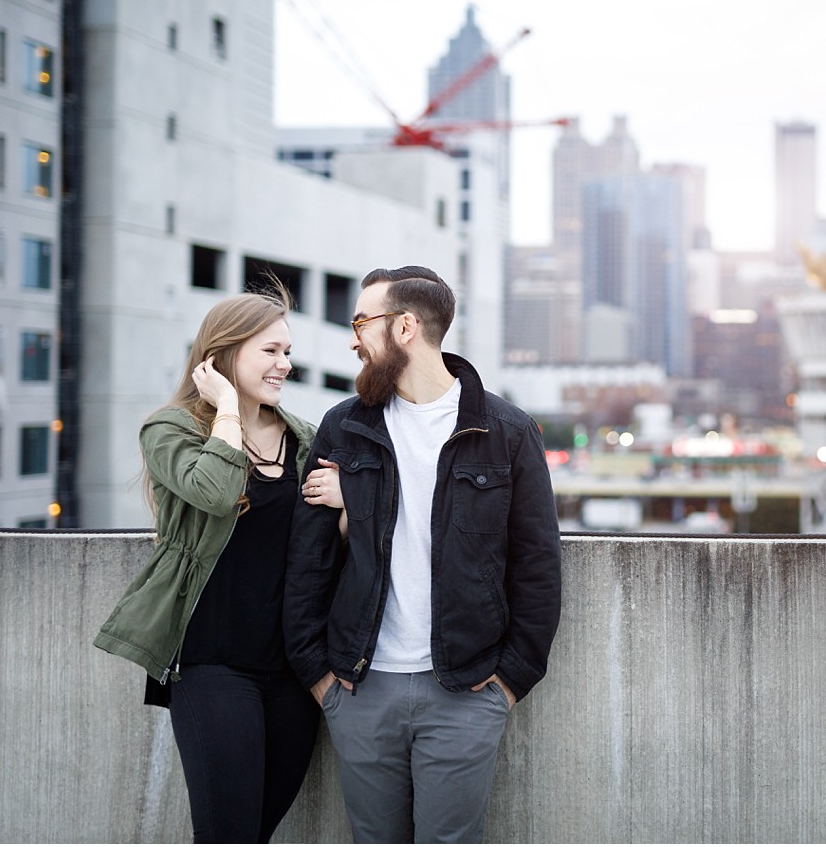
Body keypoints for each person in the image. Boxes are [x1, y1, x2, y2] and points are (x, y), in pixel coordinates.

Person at [284, 266, 562, 844]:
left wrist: (510, 681)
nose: (353, 338)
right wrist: (319, 677)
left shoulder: (505, 431)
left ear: (405, 327)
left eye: (362, 322)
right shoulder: (344, 427)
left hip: (465, 690)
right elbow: (307, 563)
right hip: (360, 686)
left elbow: (537, 567)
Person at [94, 285, 340, 843]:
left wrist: (347, 497)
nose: (285, 364)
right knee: (226, 832)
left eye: (287, 352)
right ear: (224, 355)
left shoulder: (303, 439)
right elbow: (214, 490)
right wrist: (229, 410)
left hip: (292, 669)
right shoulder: (171, 429)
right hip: (211, 665)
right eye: (270, 351)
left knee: (256, 831)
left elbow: (328, 543)